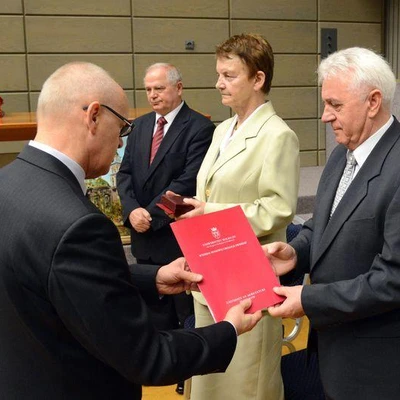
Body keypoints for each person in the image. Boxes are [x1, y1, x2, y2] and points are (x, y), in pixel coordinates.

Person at [0, 61, 263, 400]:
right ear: (94, 116)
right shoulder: (80, 225)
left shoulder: (8, 182)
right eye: (122, 128)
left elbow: (51, 275)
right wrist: (227, 329)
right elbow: (148, 357)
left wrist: (150, 277)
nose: (122, 143)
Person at [266, 47, 400, 400]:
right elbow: (323, 223)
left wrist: (309, 300)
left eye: (336, 105)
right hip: (332, 352)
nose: (325, 116)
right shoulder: (343, 152)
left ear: (373, 102)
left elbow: (393, 280)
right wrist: (295, 252)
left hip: (376, 366)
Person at [171, 33, 300, 400]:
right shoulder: (222, 130)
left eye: (229, 75)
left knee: (245, 383)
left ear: (258, 79)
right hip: (210, 273)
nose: (218, 83)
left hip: (249, 278)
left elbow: (278, 208)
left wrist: (208, 211)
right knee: (210, 378)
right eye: (218, 74)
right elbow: (211, 191)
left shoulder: (278, 136)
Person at [117, 63, 214, 351]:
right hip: (141, 234)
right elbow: (124, 174)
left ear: (178, 87)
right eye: (148, 89)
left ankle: (187, 375)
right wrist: (132, 210)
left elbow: (188, 181)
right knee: (151, 316)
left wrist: (152, 215)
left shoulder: (200, 127)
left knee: (183, 316)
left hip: (174, 237)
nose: (153, 95)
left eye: (159, 88)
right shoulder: (140, 125)